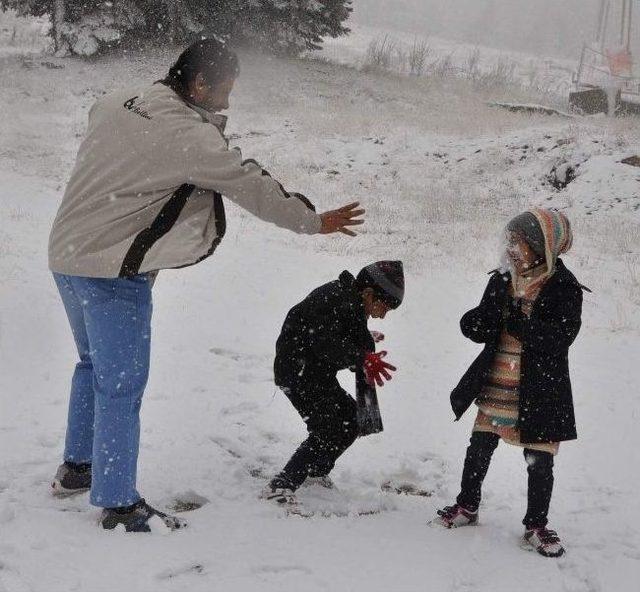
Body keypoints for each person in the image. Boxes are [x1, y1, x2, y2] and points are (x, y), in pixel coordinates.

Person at [48, 39, 365, 532]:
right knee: (122, 387)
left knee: (92, 366)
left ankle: (77, 468)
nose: (228, 101)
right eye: (225, 90)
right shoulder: (192, 138)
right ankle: (117, 502)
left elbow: (119, 148)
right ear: (198, 84)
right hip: (113, 271)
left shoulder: (115, 101)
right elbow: (251, 184)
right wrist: (313, 221)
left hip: (66, 253)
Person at [433, 208, 586, 558]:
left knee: (540, 459)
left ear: (541, 245)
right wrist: (474, 323)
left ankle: (536, 525)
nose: (511, 248)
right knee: (480, 445)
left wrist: (521, 326)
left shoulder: (564, 286)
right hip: (498, 380)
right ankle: (467, 505)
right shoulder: (502, 278)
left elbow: (560, 338)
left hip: (540, 388)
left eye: (518, 241)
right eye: (510, 240)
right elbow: (485, 320)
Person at [263, 261, 404, 507]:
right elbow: (324, 344)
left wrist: (364, 351)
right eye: (384, 307)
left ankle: (315, 474)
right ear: (369, 293)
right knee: (327, 428)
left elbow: (342, 337)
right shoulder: (335, 298)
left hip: (316, 373)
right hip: (298, 372)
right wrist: (361, 357)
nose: (381, 315)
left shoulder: (351, 300)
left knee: (351, 420)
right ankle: (282, 485)